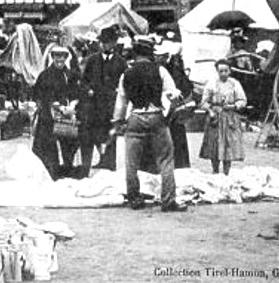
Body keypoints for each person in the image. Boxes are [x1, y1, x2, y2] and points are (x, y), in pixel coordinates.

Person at [112, 38, 187, 212]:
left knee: (131, 162)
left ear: (135, 54)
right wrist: (168, 112)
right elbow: (173, 94)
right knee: (166, 159)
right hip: (155, 116)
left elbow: (121, 102)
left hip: (135, 117)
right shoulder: (160, 70)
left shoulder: (126, 73)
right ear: (150, 53)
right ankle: (168, 201)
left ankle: (134, 198)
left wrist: (119, 121)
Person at [80, 26, 127, 176]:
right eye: (103, 42)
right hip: (94, 104)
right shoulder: (92, 60)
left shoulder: (121, 62)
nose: (105, 45)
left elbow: (125, 82)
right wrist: (88, 90)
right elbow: (84, 81)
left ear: (114, 43)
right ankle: (101, 157)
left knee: (110, 133)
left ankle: (110, 162)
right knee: (95, 132)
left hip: (111, 105)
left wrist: (119, 95)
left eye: (108, 42)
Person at [32, 45, 82, 180]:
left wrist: (72, 105)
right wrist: (52, 105)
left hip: (66, 115)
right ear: (52, 57)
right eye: (56, 56)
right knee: (47, 145)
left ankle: (68, 170)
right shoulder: (45, 75)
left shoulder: (71, 75)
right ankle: (52, 172)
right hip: (48, 115)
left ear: (66, 58)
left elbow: (77, 93)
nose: (59, 59)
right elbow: (38, 94)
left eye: (62, 56)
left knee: (69, 144)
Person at [199, 59, 247, 175]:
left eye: (226, 71)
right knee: (214, 145)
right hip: (215, 117)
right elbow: (203, 102)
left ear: (230, 71)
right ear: (217, 71)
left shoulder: (235, 83)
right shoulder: (211, 84)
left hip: (230, 117)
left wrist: (234, 106)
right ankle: (215, 171)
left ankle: (226, 172)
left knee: (228, 145)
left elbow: (242, 100)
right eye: (221, 71)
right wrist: (210, 110)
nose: (223, 73)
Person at [155, 41, 192, 169]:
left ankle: (179, 165)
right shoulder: (165, 67)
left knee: (175, 135)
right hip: (166, 108)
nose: (156, 58)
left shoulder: (173, 69)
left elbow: (185, 87)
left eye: (159, 56)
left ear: (165, 56)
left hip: (174, 108)